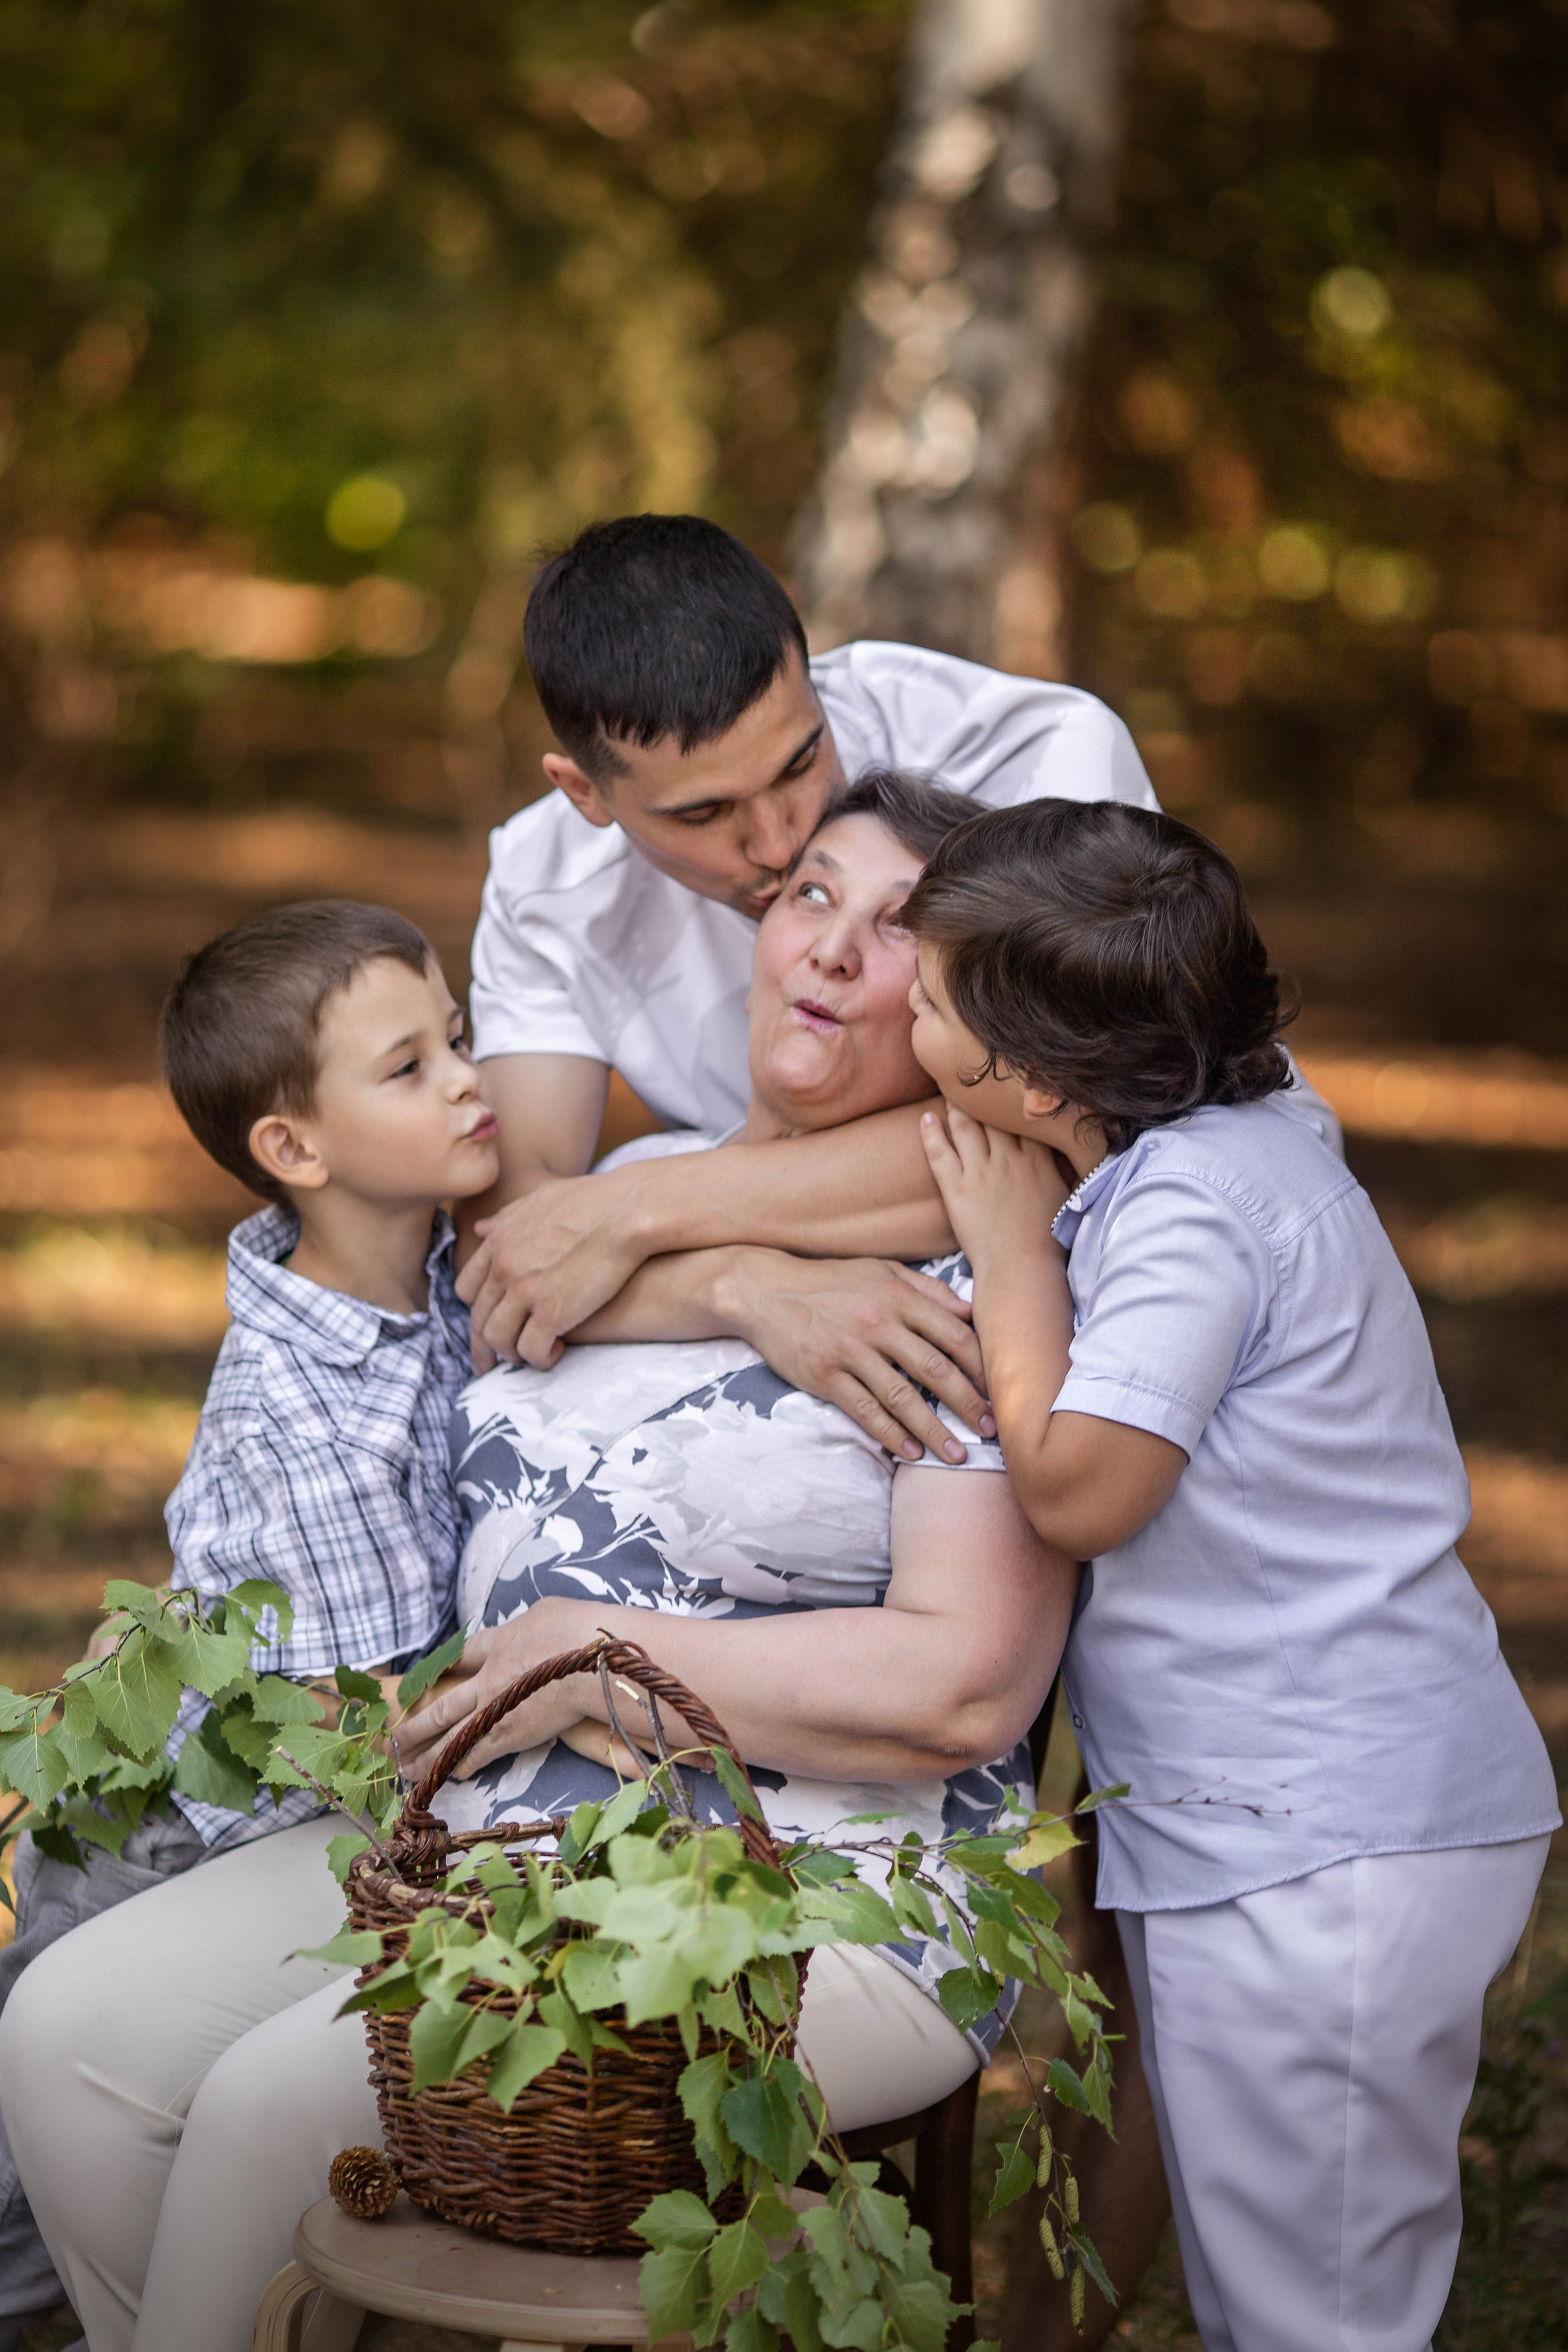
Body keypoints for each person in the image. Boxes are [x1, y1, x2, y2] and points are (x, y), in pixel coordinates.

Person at [0, 777, 1078, 2352]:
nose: (833, 947)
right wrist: (752, 1284)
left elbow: (963, 1688)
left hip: (784, 1877)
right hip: (465, 1822)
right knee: (69, 2037)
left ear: (960, 999)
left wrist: (593, 1661)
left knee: (263, 2107)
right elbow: (439, 1325)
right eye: (809, 894)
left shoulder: (981, 1266)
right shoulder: (626, 1196)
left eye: (898, 927)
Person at [899, 796, 1561, 2352]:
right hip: (1303, 1819)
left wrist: (1009, 1254)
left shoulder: (1194, 1208)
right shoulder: (1246, 1123)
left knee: (1312, 2310)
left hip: (1319, 1843)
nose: (900, 1011)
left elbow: (1080, 1488)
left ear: (1035, 1082)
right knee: (1280, 2276)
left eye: (927, 1000)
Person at [0, 900, 502, 2352]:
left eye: (456, 1039)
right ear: (296, 1149)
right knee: (30, 2200)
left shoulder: (440, 1269)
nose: (467, 1081)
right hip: (180, 1829)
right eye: (408, 1069)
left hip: (278, 1792)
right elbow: (369, 1721)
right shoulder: (295, 1407)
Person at [455, 511, 1167, 1469]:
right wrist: (744, 1288)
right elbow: (512, 1249)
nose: (782, 841)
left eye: (800, 762)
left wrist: (637, 1210)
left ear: (811, 676)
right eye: (706, 812)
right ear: (585, 794)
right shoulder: (545, 884)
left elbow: (1067, 1128)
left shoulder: (1032, 760)